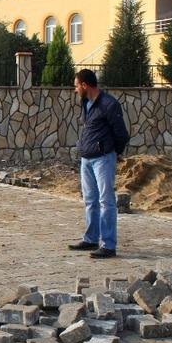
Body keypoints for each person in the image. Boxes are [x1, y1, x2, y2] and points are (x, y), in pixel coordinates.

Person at [67, 69, 130, 259]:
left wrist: (113, 152)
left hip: (103, 159)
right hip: (86, 159)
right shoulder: (86, 103)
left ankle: (108, 245)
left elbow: (122, 134)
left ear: (85, 85)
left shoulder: (109, 105)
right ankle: (91, 239)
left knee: (106, 201)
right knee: (90, 200)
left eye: (77, 86)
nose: (75, 89)